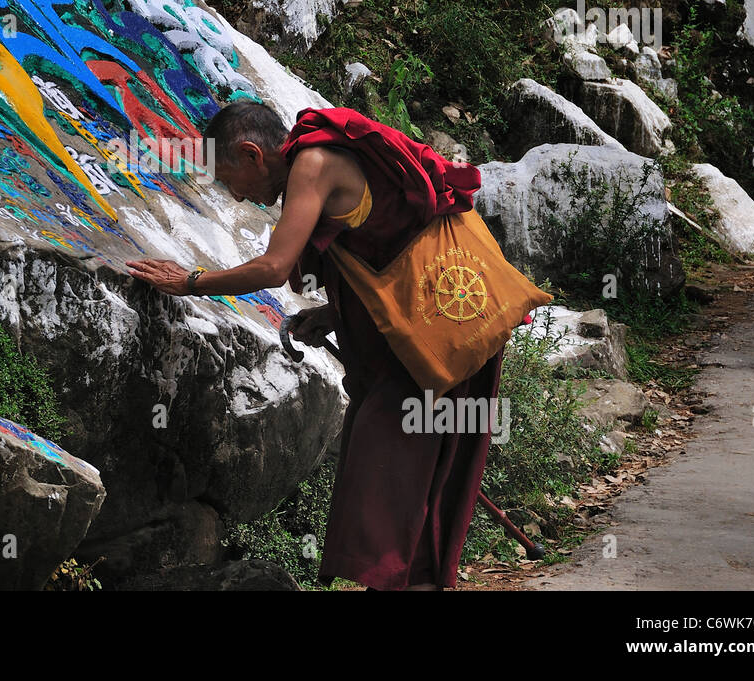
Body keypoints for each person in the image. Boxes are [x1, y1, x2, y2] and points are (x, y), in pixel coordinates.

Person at [126, 99, 505, 591]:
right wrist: (332, 314)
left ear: (251, 155)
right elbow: (386, 250)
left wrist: (191, 281)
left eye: (226, 178)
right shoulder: (315, 162)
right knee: (402, 489)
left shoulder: (313, 164)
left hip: (442, 334)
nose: (235, 196)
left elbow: (274, 267)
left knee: (388, 486)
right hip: (432, 329)